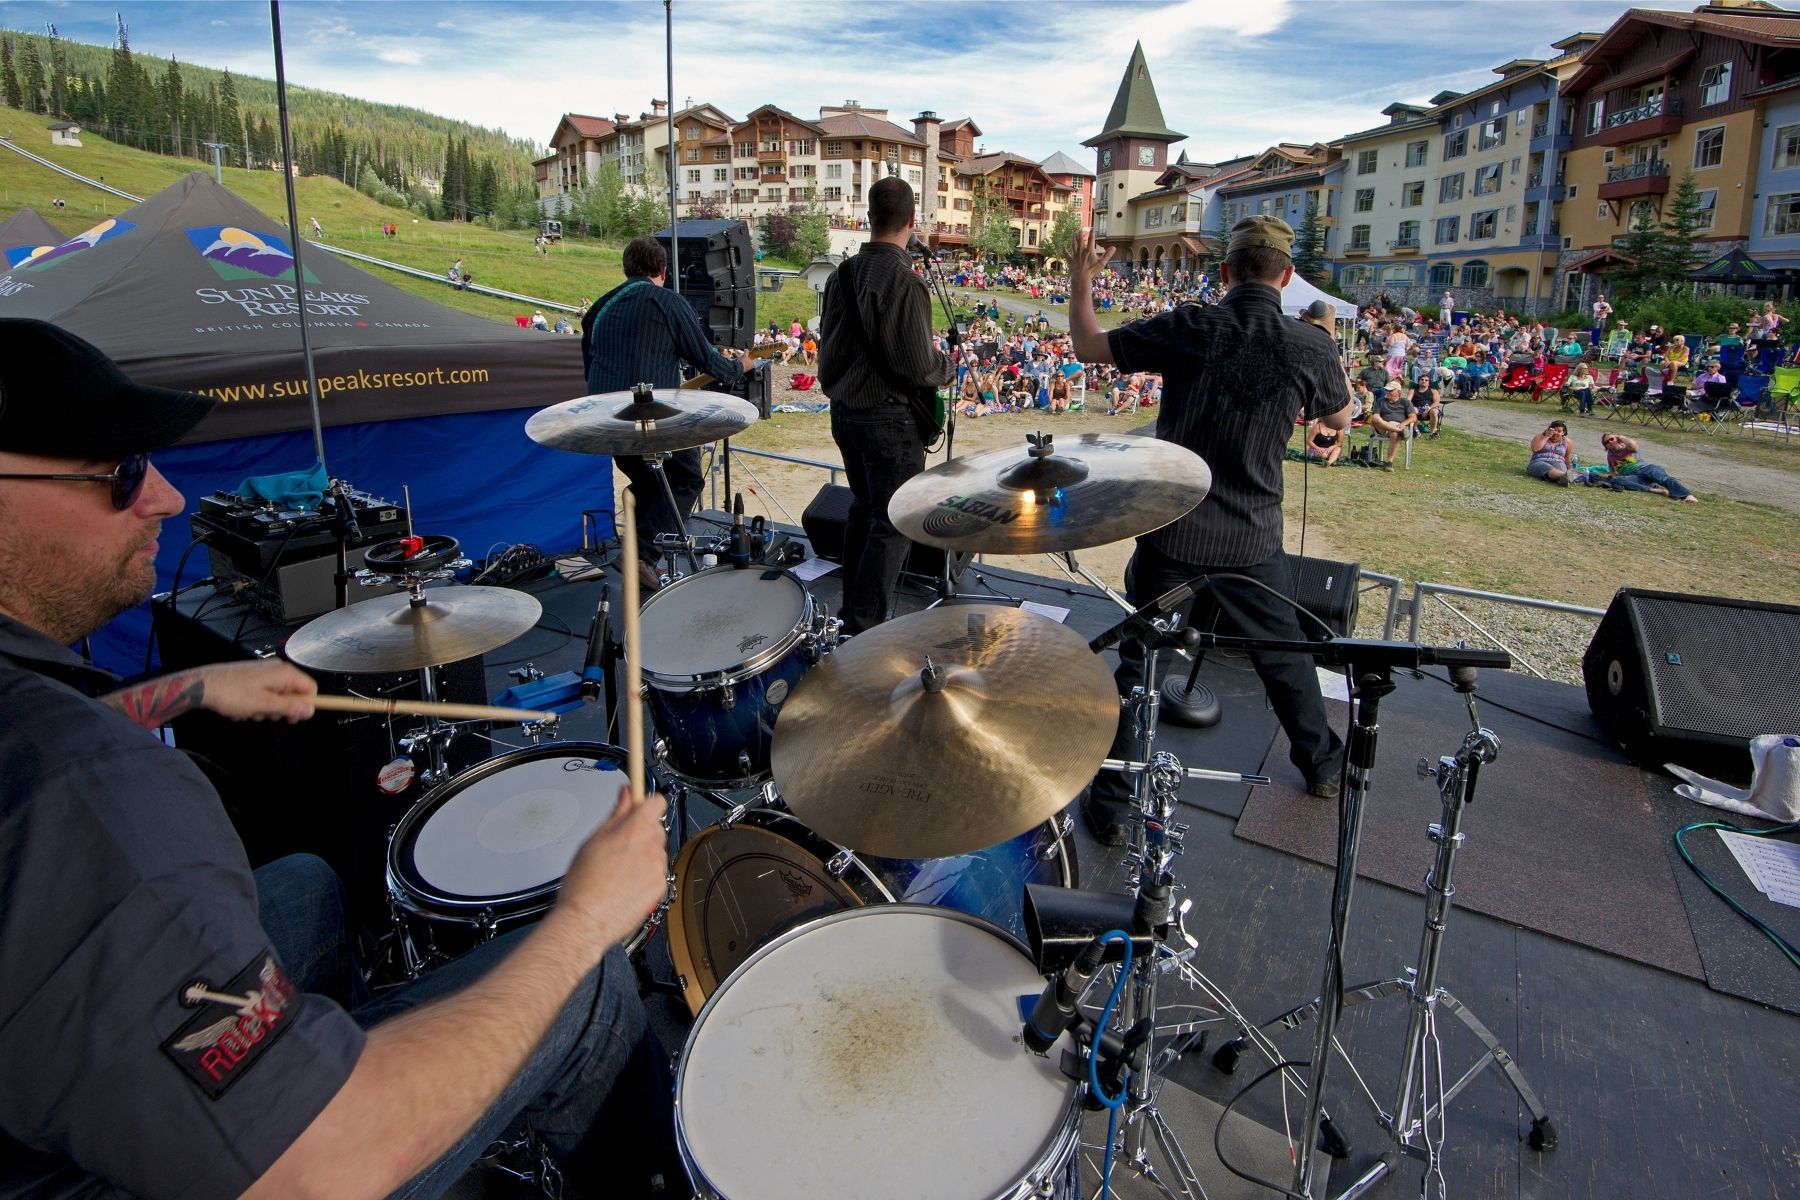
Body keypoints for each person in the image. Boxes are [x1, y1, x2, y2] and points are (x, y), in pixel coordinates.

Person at [0, 319, 676, 1197]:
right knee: (588, 990)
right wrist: (587, 919)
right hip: (209, 1168)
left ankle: (345, 1052)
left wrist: (190, 691)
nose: (163, 497)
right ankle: (387, 1092)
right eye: (120, 474)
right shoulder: (95, 802)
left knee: (307, 887)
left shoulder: (36, 720)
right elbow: (316, 1165)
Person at [1068, 216, 1350, 843]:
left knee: (1141, 664)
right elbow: (1338, 415)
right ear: (1288, 276)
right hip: (1252, 538)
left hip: (1175, 532)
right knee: (1285, 657)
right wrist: (1324, 345)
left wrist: (1079, 278)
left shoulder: (1190, 325)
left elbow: (1089, 345)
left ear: (1224, 273)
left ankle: (1113, 808)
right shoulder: (1311, 345)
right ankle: (1325, 767)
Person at [817, 176, 955, 635]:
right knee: (892, 522)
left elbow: (830, 356)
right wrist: (947, 367)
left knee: (863, 508)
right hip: (888, 420)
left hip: (845, 414)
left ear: (869, 218)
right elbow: (917, 365)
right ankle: (864, 628)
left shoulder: (840, 277)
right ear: (912, 222)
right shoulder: (906, 282)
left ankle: (849, 612)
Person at [583, 236, 747, 594]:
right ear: (663, 270)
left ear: (627, 269)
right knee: (686, 479)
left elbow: (590, 363)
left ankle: (637, 557)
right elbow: (707, 360)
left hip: (607, 420)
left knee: (648, 482)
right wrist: (740, 366)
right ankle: (639, 554)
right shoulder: (667, 301)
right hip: (650, 422)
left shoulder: (599, 308)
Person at [1595, 432, 1699, 501]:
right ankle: (1654, 489)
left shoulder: (1627, 446)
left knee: (1662, 478)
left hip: (1646, 468)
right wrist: (1610, 478)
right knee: (1616, 481)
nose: (1610, 442)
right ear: (1606, 446)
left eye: (1612, 439)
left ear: (1617, 438)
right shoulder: (1610, 456)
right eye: (1607, 442)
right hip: (1634, 477)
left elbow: (1634, 446)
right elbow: (1613, 471)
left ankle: (1687, 495)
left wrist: (1621, 437)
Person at [1368, 379, 1417, 465]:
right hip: (1382, 428)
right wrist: (1396, 427)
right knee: (1375, 418)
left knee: (1394, 433)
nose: (1387, 392)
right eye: (1387, 390)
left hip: (1398, 426)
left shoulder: (1405, 402)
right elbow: (1376, 417)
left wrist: (1403, 424)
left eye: (1390, 390)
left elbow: (1413, 417)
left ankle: (1389, 462)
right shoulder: (1380, 401)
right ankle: (1399, 431)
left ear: (1398, 392)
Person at [1525, 419, 1577, 486]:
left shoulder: (1567, 442)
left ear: (1563, 433)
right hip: (1539, 461)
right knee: (1548, 468)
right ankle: (1564, 477)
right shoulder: (1540, 436)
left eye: (1559, 431)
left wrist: (1569, 469)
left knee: (1561, 468)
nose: (1556, 433)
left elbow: (1566, 458)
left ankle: (1564, 477)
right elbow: (1535, 449)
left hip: (1558, 462)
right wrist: (1547, 436)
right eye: (1554, 430)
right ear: (1549, 429)